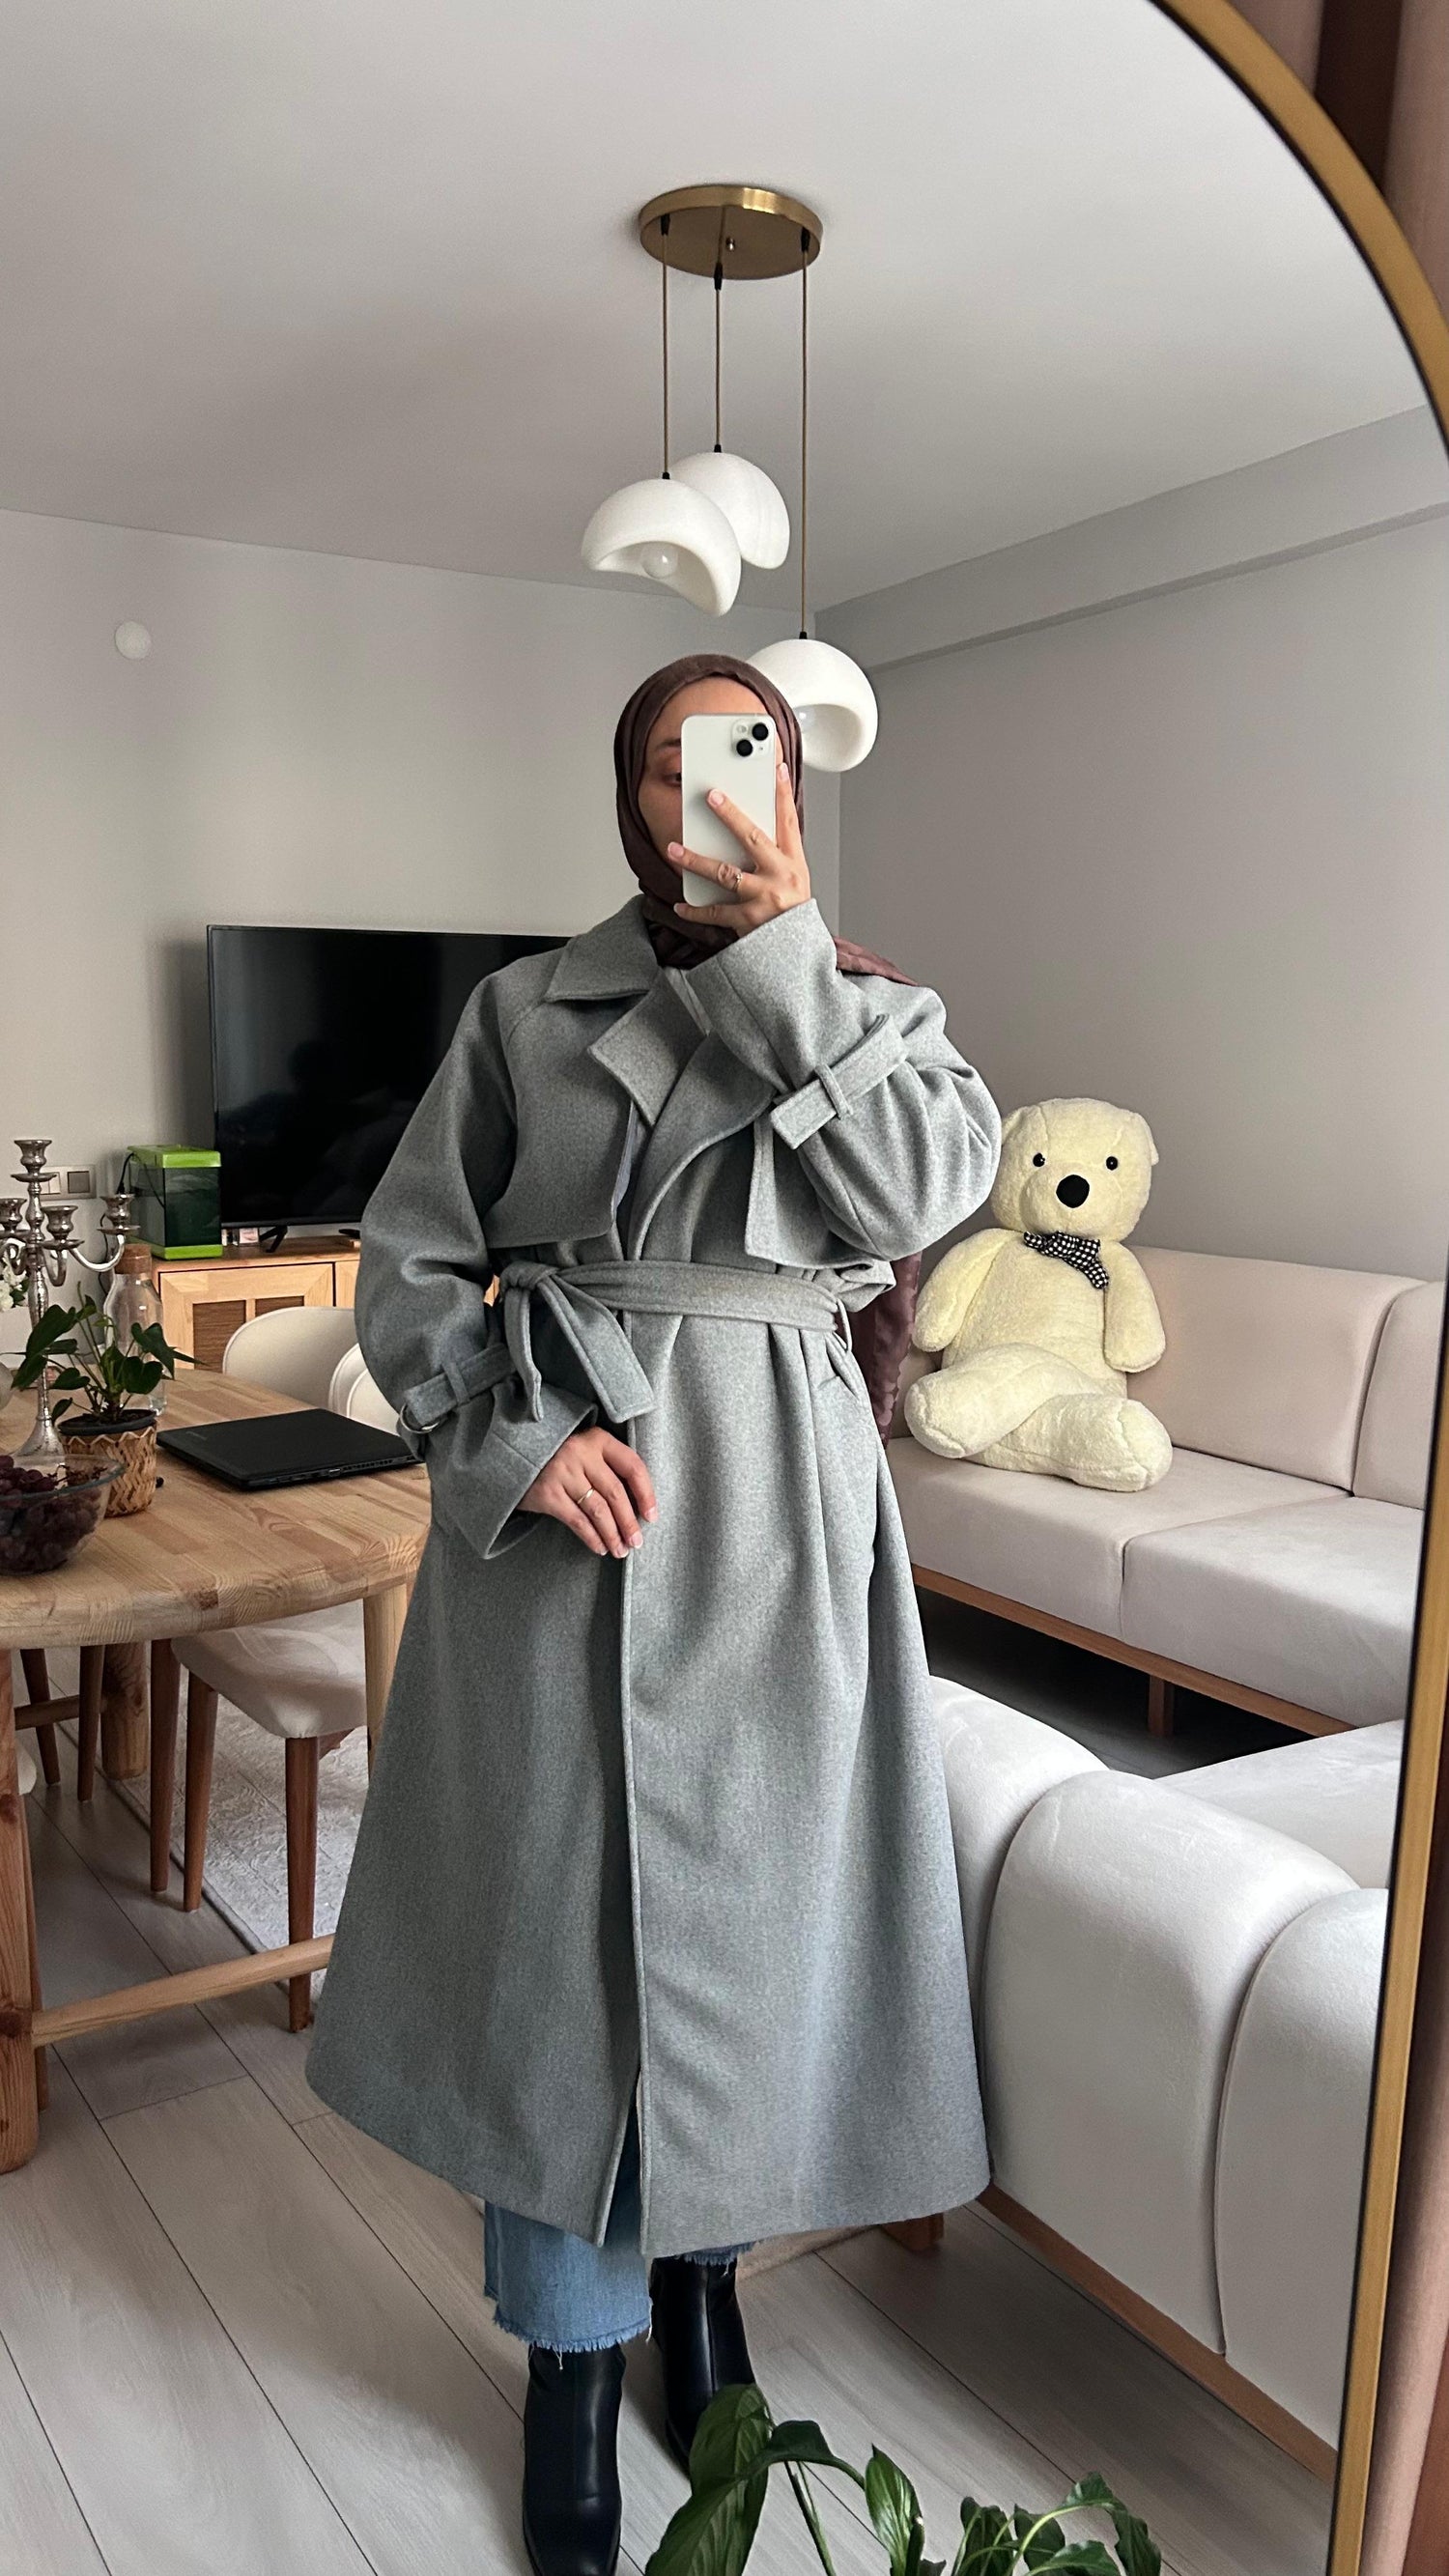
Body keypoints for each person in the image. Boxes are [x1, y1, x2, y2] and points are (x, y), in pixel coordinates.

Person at [304, 652, 1002, 2576]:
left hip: (780, 1520)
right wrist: (515, 1444)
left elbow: (920, 1191)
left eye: (741, 752)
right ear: (629, 798)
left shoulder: (875, 1009)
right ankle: (567, 2351)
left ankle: (704, 2289)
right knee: (559, 1949)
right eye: (670, 762)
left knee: (752, 1925)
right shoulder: (524, 1011)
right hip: (575, 1517)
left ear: (787, 784)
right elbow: (411, 1259)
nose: (705, 790)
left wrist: (785, 962)